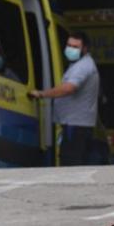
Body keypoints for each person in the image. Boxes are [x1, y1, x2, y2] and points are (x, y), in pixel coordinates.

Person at [28, 31, 100, 166]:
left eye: (75, 47)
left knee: (71, 161)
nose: (70, 49)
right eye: (69, 45)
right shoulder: (77, 65)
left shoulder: (84, 66)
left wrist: (42, 94)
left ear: (84, 49)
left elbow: (69, 88)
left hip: (76, 125)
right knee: (70, 159)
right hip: (73, 123)